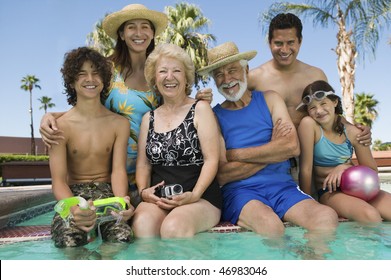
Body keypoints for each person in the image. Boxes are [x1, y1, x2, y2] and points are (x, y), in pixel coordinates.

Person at [40, 4, 212, 204]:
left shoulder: (161, 71)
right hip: (111, 174)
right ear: (121, 34)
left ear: (153, 33)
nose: (139, 33)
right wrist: (51, 116)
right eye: (131, 27)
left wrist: (201, 99)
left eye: (145, 26)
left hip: (151, 171)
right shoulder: (105, 70)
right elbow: (86, 108)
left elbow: (180, 106)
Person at [198, 42, 338, 237]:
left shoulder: (270, 98)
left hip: (282, 187)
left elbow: (291, 147)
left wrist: (236, 154)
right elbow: (222, 174)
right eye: (219, 75)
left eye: (232, 70)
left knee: (326, 217)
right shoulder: (213, 115)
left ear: (246, 69)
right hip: (240, 193)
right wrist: (273, 150)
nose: (227, 79)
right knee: (270, 225)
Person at [131, 43, 222, 238]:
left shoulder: (201, 109)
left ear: (186, 78)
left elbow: (211, 160)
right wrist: (143, 191)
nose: (169, 77)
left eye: (176, 71)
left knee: (173, 228)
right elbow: (144, 164)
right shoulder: (149, 118)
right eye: (162, 71)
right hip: (159, 198)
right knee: (141, 226)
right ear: (155, 79)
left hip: (200, 196)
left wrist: (194, 195)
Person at [50, 47, 134, 248]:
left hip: (106, 195)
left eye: (96, 73)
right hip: (73, 196)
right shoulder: (60, 126)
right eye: (82, 74)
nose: (90, 79)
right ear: (72, 82)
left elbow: (118, 171)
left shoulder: (119, 124)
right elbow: (58, 181)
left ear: (104, 80)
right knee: (69, 241)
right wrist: (74, 210)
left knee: (122, 238)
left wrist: (122, 202)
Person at [297, 80, 391, 224]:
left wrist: (344, 167)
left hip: (359, 187)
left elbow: (372, 171)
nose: (319, 111)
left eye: (323, 104)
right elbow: (306, 169)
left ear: (335, 102)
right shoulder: (309, 125)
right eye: (312, 108)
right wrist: (309, 205)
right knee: (370, 216)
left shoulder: (353, 132)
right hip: (330, 192)